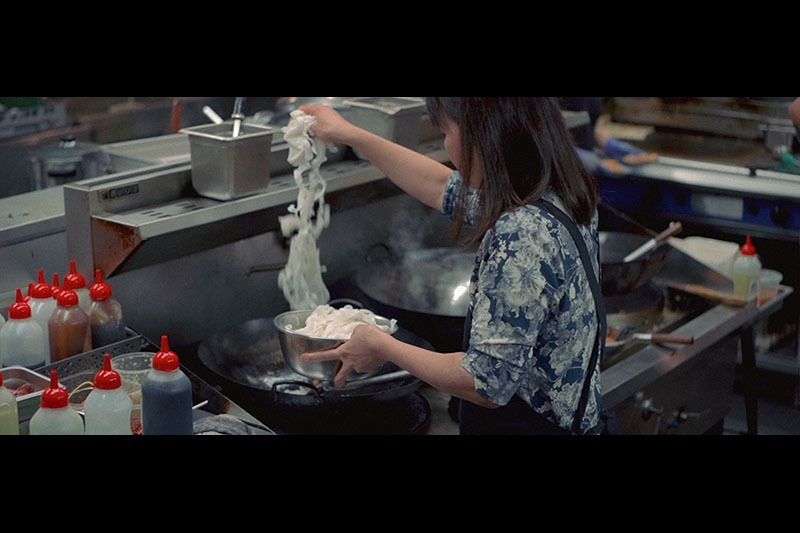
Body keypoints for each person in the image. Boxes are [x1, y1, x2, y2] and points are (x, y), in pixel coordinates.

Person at [299, 97, 606, 435]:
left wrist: (380, 345)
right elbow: (439, 186)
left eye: (446, 131)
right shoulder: (557, 191)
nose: (446, 145)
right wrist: (350, 134)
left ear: (482, 134)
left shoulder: (521, 232)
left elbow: (485, 382)